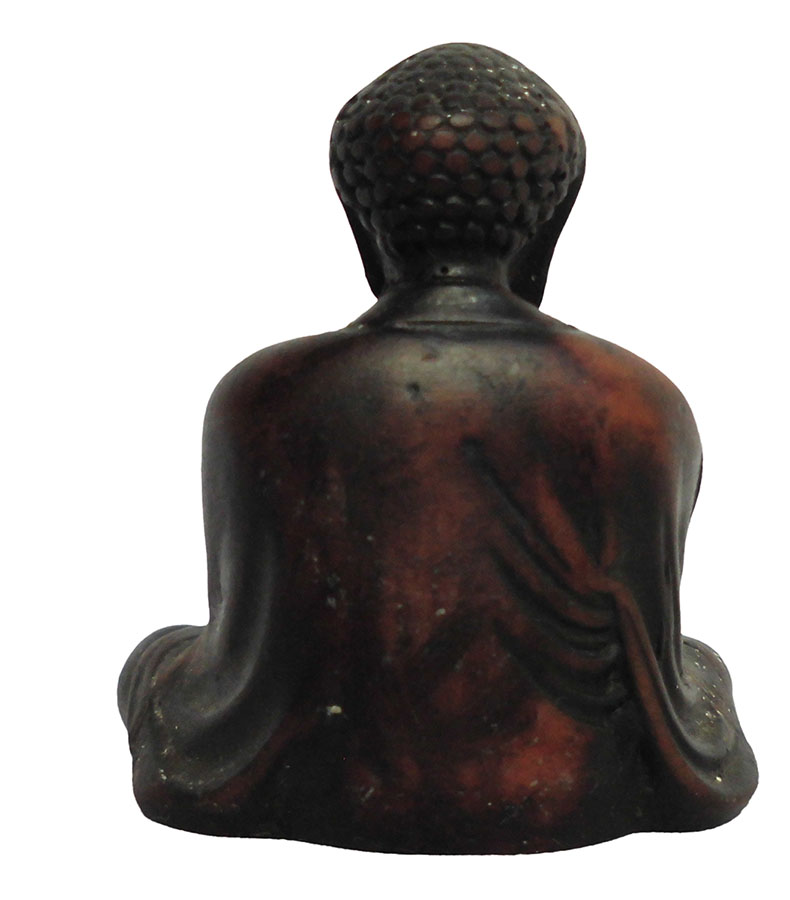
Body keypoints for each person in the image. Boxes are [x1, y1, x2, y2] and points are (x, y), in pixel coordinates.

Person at [119, 43, 757, 852]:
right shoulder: (640, 403)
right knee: (702, 668)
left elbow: (245, 644)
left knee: (154, 662)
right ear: (547, 224)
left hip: (333, 786)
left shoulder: (262, 397)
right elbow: (653, 656)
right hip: (570, 787)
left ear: (363, 220)